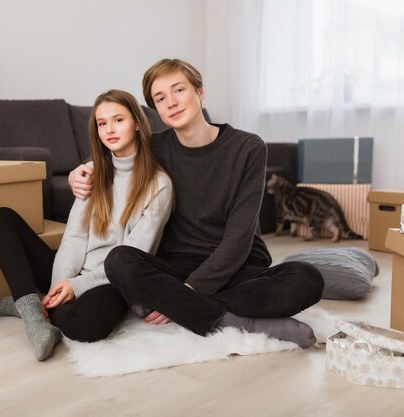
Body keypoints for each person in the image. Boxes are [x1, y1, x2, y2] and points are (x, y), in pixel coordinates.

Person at [68, 59, 324, 348]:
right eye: (160, 98)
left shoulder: (248, 148)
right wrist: (78, 172)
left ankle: (185, 308)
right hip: (176, 266)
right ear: (155, 109)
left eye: (179, 90)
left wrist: (183, 294)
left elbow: (239, 238)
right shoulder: (154, 147)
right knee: (119, 260)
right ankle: (232, 321)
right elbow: (113, 158)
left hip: (238, 264)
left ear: (200, 93)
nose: (172, 103)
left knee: (307, 278)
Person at [0, 89, 173, 360]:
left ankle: (27, 304)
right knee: (0, 218)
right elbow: (73, 239)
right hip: (73, 271)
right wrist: (59, 286)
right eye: (102, 123)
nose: (109, 129)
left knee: (87, 326)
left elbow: (132, 259)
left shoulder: (159, 185)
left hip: (112, 280)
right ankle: (34, 315)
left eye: (118, 120)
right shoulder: (91, 172)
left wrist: (78, 287)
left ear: (136, 122)